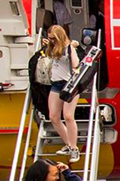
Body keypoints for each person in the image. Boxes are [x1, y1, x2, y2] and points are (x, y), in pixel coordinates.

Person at [43, 25, 82, 163]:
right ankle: (69, 144)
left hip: (69, 85)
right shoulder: (52, 48)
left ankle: (74, 148)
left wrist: (73, 48)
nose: (52, 41)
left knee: (68, 116)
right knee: (53, 116)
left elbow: (76, 65)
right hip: (56, 84)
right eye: (50, 38)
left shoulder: (68, 48)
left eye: (54, 38)